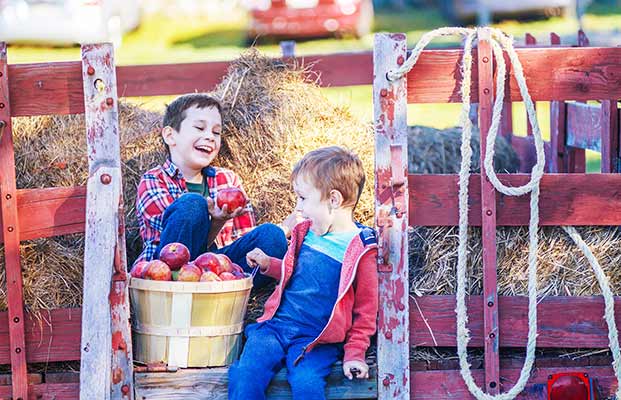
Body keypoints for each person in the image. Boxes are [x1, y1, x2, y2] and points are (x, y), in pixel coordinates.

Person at [228, 146, 378, 400]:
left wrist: (354, 354)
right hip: (277, 327)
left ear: (333, 200)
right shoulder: (305, 233)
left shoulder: (360, 249)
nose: (298, 208)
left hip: (316, 339)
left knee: (307, 384)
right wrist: (268, 264)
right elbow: (293, 272)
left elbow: (366, 311)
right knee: (247, 372)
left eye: (303, 198)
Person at [134, 93, 290, 287]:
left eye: (216, 132)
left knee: (271, 236)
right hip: (169, 274)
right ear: (170, 136)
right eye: (199, 128)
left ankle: (227, 296)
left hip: (217, 271)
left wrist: (221, 223)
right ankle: (183, 298)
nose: (209, 136)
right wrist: (215, 223)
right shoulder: (153, 180)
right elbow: (175, 247)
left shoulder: (228, 179)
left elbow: (244, 241)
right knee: (192, 204)